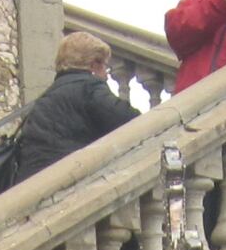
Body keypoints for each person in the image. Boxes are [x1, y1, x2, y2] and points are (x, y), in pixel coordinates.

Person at [10, 30, 141, 189]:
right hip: (64, 184)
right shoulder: (89, 88)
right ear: (93, 65)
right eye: (105, 66)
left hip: (31, 185)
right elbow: (128, 119)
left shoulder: (47, 98)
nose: (106, 76)